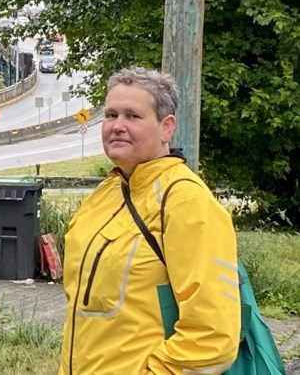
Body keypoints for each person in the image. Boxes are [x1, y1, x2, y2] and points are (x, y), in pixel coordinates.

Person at [59, 67, 240, 375]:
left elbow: (213, 337)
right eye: (111, 114)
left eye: (133, 116)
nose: (117, 126)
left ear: (166, 127)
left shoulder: (185, 202)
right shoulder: (107, 193)